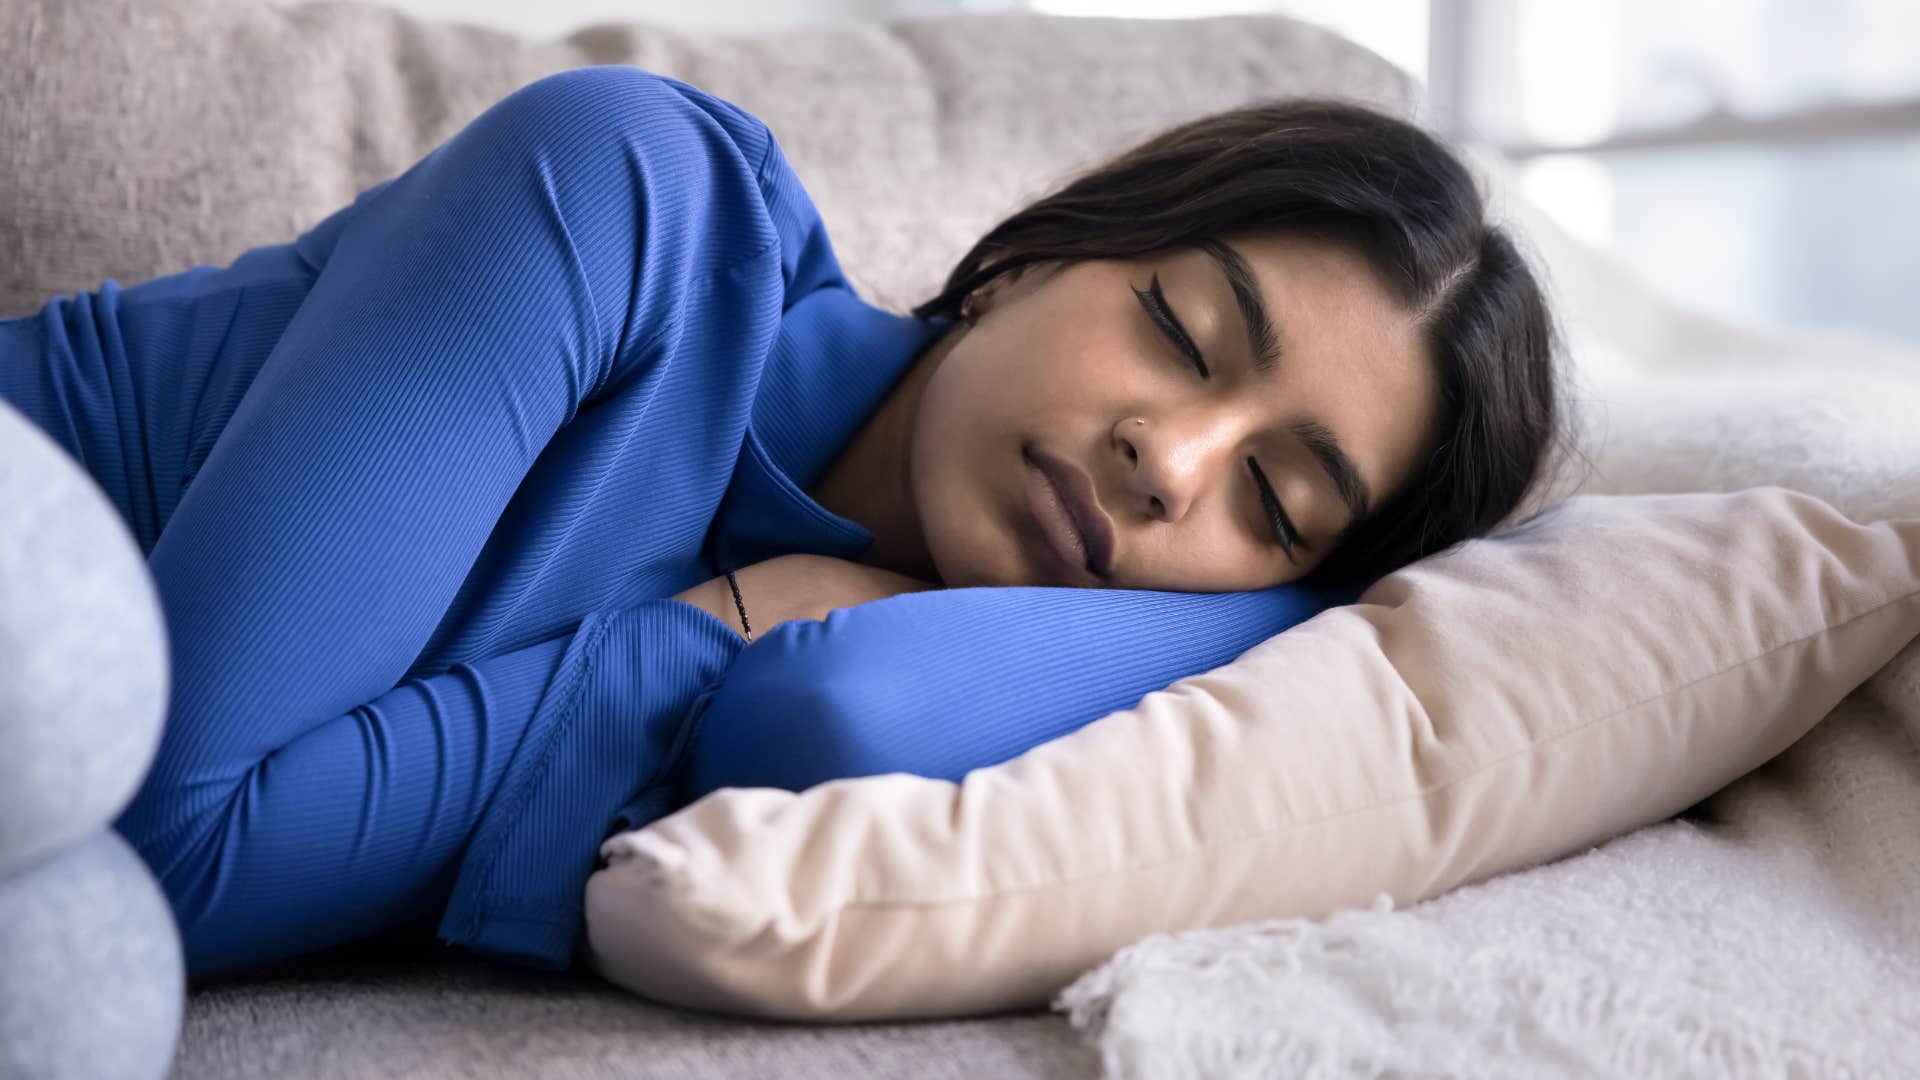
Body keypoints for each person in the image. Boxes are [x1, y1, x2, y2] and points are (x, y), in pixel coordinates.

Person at [0, 65, 1568, 981]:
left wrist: (1274, 618)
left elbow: (837, 707)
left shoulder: (915, 642)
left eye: (1276, 503)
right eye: (1177, 330)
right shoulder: (634, 199)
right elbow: (152, 848)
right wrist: (705, 636)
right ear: (1032, 261)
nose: (1173, 462)